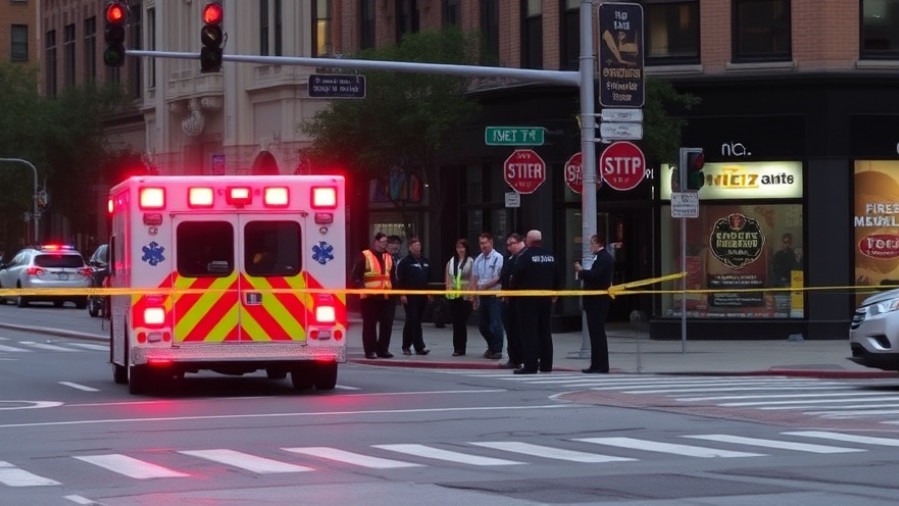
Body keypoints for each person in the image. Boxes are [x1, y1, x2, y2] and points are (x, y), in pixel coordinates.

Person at [510, 230, 559, 374]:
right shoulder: (550, 256)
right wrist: (555, 293)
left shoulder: (525, 256)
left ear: (529, 240)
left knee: (529, 333)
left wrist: (513, 291)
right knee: (545, 331)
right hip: (546, 300)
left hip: (527, 301)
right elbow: (557, 275)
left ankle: (530, 365)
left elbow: (515, 277)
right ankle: (546, 365)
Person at [349, 232, 395, 359]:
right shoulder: (365, 256)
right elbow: (354, 277)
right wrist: (362, 288)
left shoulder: (389, 257)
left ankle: (383, 350)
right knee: (370, 325)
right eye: (382, 242)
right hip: (369, 298)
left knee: (386, 325)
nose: (384, 245)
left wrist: (397, 294)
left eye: (386, 242)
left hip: (385, 297)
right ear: (375, 242)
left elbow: (393, 278)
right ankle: (370, 351)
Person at [574, 234, 614, 374]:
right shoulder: (599, 258)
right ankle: (596, 364)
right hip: (594, 301)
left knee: (598, 333)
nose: (590, 246)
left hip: (598, 301)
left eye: (592, 243)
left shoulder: (604, 258)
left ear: (598, 243)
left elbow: (595, 276)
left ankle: (601, 365)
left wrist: (581, 271)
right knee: (594, 333)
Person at [471, 232, 504, 360]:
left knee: (495, 324)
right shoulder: (478, 259)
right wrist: (473, 296)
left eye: (485, 243)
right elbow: (474, 278)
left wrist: (484, 286)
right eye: (481, 243)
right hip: (482, 296)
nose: (483, 246)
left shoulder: (498, 257)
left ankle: (497, 350)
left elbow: (498, 277)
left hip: (494, 295)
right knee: (483, 325)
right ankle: (491, 346)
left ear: (491, 242)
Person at [396, 236, 431, 355]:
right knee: (413, 319)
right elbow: (399, 280)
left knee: (414, 321)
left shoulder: (425, 261)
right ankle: (418, 346)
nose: (418, 248)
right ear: (410, 248)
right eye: (415, 246)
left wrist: (430, 294)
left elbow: (429, 279)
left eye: (419, 246)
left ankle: (408, 345)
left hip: (422, 297)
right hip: (410, 297)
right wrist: (402, 294)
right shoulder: (405, 262)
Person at [498, 233, 526, 369]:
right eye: (508, 245)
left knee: (520, 331)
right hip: (508, 300)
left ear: (520, 242)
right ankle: (514, 358)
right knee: (510, 331)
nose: (509, 247)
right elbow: (504, 277)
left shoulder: (523, 257)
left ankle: (523, 357)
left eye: (512, 244)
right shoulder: (509, 258)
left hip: (519, 301)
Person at [445, 238, 474, 356]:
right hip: (453, 296)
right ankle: (457, 348)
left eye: (462, 247)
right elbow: (447, 278)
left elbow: (473, 278)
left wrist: (472, 295)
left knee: (462, 323)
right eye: (458, 247)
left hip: (465, 296)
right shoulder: (451, 262)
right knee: (456, 323)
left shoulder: (471, 261)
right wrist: (447, 292)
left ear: (466, 249)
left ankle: (462, 347)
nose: (460, 250)